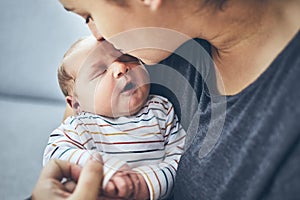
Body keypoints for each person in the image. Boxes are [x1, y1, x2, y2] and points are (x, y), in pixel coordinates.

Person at [33, 0, 300, 199]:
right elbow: (78, 115)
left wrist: (142, 184)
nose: (98, 37)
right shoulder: (154, 41)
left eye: (90, 16)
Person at [43, 36, 186, 200]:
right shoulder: (79, 126)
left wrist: (146, 183)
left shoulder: (161, 109)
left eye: (127, 58)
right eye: (101, 71)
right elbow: (55, 156)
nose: (122, 67)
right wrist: (105, 170)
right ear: (76, 104)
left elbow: (181, 157)